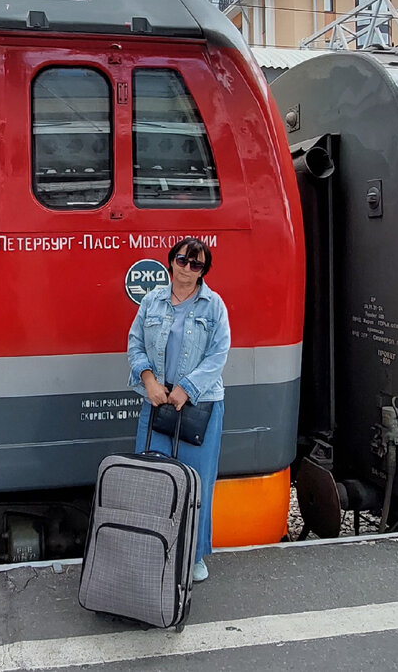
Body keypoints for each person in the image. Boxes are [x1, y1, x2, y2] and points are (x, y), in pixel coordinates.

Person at [126, 237, 230, 583]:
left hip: (199, 406)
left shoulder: (214, 306)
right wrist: (149, 381)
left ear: (204, 271)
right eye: (182, 260)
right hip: (157, 401)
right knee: (151, 479)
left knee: (197, 483)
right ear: (171, 262)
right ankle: (153, 549)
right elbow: (135, 342)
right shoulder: (151, 301)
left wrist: (188, 388)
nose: (187, 268)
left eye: (196, 264)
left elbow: (219, 354)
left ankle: (194, 555)